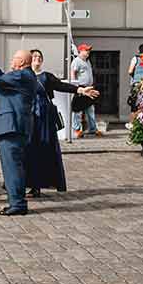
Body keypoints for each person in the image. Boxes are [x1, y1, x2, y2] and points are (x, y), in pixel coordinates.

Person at [28, 48, 98, 197]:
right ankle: (27, 184)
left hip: (44, 118)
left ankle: (39, 185)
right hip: (28, 117)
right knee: (28, 151)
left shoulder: (47, 77)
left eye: (39, 56)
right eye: (34, 56)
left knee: (44, 150)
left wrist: (81, 90)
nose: (37, 59)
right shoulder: (23, 76)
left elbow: (62, 86)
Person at [0, 48, 41, 215]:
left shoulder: (23, 75)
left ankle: (18, 203)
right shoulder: (23, 76)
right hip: (12, 126)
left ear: (22, 62)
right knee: (12, 166)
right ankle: (16, 200)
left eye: (15, 59)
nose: (11, 61)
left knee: (12, 167)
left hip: (12, 126)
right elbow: (3, 79)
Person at [70, 44, 99, 137]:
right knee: (78, 110)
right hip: (81, 88)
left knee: (90, 109)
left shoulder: (87, 61)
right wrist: (76, 87)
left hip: (89, 88)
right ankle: (77, 129)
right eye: (86, 50)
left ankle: (93, 129)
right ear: (80, 51)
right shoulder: (77, 61)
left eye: (88, 51)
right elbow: (73, 73)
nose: (88, 52)